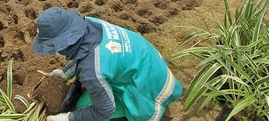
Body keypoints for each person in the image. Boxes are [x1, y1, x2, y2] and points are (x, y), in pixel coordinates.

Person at [32, 7, 182, 121]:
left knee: (83, 108)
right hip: (150, 62)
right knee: (86, 101)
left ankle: (143, 109)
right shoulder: (90, 23)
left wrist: (67, 118)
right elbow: (84, 51)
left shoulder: (92, 70)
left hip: (150, 89)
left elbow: (105, 110)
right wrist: (64, 73)